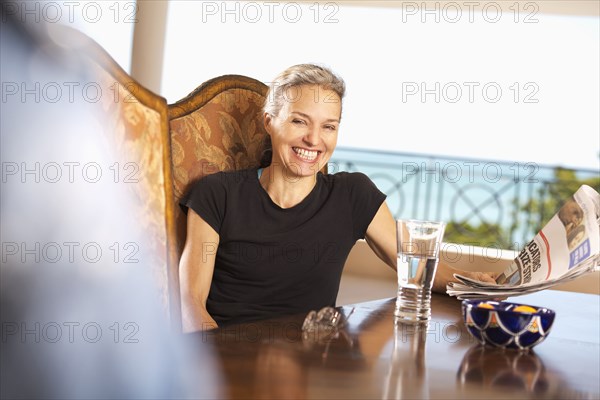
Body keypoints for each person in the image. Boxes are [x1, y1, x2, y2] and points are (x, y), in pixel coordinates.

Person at [178, 64, 496, 332]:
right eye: (299, 121)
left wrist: (477, 284)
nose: (314, 140)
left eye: (328, 126)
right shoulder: (217, 194)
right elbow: (190, 302)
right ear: (269, 122)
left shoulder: (352, 195)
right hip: (230, 362)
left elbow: (413, 265)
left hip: (313, 369)